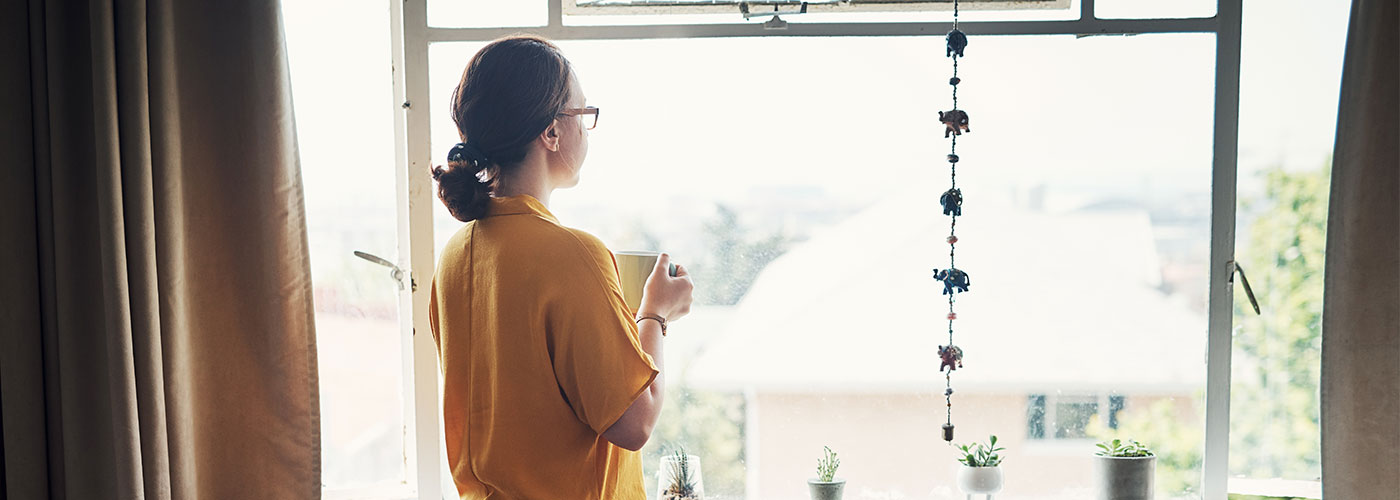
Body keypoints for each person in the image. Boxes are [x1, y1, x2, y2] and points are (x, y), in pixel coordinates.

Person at [427, 35, 695, 500]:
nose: (586, 130)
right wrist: (655, 315)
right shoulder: (574, 255)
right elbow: (634, 423)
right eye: (582, 116)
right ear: (550, 132)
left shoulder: (454, 255)